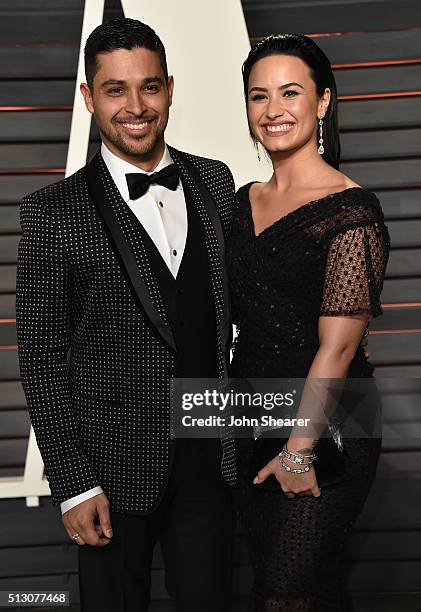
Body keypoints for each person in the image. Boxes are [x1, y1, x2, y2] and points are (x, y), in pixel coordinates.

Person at [16, 17, 237, 612]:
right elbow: (39, 359)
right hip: (109, 471)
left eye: (148, 87)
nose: (135, 107)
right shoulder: (51, 213)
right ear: (89, 97)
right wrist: (73, 483)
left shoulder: (215, 181)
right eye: (115, 90)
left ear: (169, 87)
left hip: (209, 460)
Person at [227, 34, 390, 611]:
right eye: (258, 96)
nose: (273, 110)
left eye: (290, 93)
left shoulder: (352, 211)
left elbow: (339, 350)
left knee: (287, 592)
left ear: (322, 102)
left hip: (329, 421)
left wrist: (299, 451)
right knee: (303, 587)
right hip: (250, 413)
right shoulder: (238, 202)